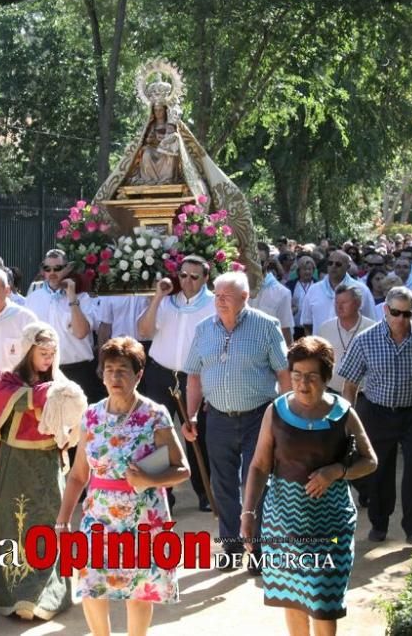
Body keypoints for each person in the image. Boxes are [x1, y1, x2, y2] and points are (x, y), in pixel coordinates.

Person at [241, 336, 377, 634]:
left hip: (331, 526)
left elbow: (370, 461)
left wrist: (336, 471)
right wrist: (248, 514)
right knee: (291, 599)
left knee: (324, 602)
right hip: (283, 525)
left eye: (312, 377)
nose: (303, 384)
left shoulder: (343, 413)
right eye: (297, 376)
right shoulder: (275, 411)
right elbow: (259, 465)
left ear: (327, 377)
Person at [56, 337, 190, 636]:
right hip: (99, 514)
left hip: (144, 515)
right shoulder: (91, 415)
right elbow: (78, 475)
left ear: (138, 375)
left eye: (123, 370)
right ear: (101, 374)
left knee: (139, 587)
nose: (115, 377)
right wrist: (63, 518)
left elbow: (182, 469)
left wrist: (150, 480)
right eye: (109, 369)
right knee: (92, 583)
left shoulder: (155, 415)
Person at [0, 323, 86, 620]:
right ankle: (12, 594)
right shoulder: (8, 380)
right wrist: (48, 393)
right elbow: (14, 399)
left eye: (52, 353)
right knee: (11, 523)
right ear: (27, 352)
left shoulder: (61, 383)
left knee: (48, 523)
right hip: (15, 463)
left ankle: (43, 595)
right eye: (42, 353)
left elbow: (73, 418)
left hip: (48, 464)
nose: (48, 358)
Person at [182, 271, 291, 570]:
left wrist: (288, 415)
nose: (219, 301)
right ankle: (230, 548)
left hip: (259, 417)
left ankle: (257, 550)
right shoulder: (204, 329)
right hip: (217, 419)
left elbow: (284, 374)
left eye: (226, 296)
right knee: (223, 485)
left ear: (244, 298)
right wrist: (191, 415)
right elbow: (193, 375)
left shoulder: (266, 326)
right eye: (216, 295)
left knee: (255, 484)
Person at [338, 286, 412, 545]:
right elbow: (350, 384)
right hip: (377, 412)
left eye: (406, 314)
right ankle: (379, 524)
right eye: (395, 313)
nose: (401, 319)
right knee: (380, 469)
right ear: (386, 310)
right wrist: (347, 421)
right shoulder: (366, 339)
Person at [137, 255, 215, 512]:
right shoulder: (168, 302)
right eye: (183, 275)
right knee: (158, 433)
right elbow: (145, 331)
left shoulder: (214, 304)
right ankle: (162, 492)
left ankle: (204, 492)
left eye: (194, 277)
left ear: (205, 277)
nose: (188, 282)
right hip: (161, 373)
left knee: (197, 434)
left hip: (195, 377)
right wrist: (158, 298)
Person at [25, 249, 102, 403]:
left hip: (79, 371)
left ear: (67, 269)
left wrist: (72, 296)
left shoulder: (83, 298)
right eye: (48, 269)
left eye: (57, 268)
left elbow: (81, 332)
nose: (52, 272)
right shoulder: (33, 298)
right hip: (45, 371)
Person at [317, 285, 375, 396]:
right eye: (337, 303)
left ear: (357, 304)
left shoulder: (372, 329)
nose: (339, 307)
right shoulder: (325, 328)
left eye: (344, 302)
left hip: (362, 394)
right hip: (330, 392)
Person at [300, 251, 376, 334]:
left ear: (348, 267)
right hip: (320, 345)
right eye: (330, 263)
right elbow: (307, 323)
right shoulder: (314, 290)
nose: (333, 266)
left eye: (338, 264)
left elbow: (371, 324)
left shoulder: (361, 290)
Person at [133, 102, 179, 185]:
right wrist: (148, 139)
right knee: (146, 153)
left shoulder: (170, 125)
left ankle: (167, 179)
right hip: (153, 149)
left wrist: (160, 141)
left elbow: (173, 140)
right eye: (155, 110)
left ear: (165, 111)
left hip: (165, 150)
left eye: (160, 110)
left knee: (170, 155)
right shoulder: (150, 126)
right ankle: (149, 179)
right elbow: (142, 140)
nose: (158, 113)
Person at [250, 259, 294, 346]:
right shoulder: (240, 287)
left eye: (259, 261)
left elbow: (286, 329)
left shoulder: (282, 292)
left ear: (266, 263)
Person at [290, 255, 316, 340]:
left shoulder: (318, 285)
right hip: (295, 326)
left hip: (311, 326)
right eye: (304, 269)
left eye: (310, 269)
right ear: (298, 271)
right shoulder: (291, 285)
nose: (307, 272)